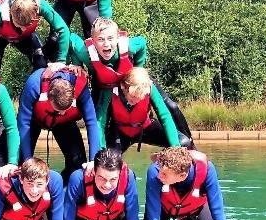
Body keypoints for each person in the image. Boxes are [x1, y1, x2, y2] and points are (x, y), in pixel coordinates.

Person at [70, 17, 193, 147]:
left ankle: (190, 147)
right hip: (106, 84)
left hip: (134, 79)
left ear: (117, 38)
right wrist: (77, 64)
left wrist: (138, 69)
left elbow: (142, 42)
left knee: (172, 107)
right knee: (99, 121)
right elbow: (72, 39)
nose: (106, 44)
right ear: (93, 41)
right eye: (100, 39)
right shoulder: (87, 54)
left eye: (110, 39)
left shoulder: (127, 48)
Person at [17, 65, 101, 183]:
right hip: (33, 121)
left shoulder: (81, 88)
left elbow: (92, 122)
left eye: (65, 109)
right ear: (48, 97)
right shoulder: (34, 84)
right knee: (22, 165)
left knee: (78, 164)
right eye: (58, 110)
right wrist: (26, 160)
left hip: (65, 124)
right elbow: (23, 123)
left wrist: (93, 159)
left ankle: (62, 190)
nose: (61, 113)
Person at [0, 0, 71, 78]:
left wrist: (61, 61)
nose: (23, 28)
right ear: (11, 13)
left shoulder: (40, 5)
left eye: (27, 24)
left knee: (41, 64)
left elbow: (63, 29)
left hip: (26, 37)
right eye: (19, 25)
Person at [104, 67, 194, 151]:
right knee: (108, 160)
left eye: (139, 98)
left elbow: (165, 115)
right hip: (120, 132)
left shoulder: (150, 88)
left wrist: (175, 148)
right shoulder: (111, 90)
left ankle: (162, 161)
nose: (135, 101)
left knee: (183, 143)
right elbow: (100, 123)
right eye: (133, 97)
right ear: (123, 86)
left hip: (146, 128)